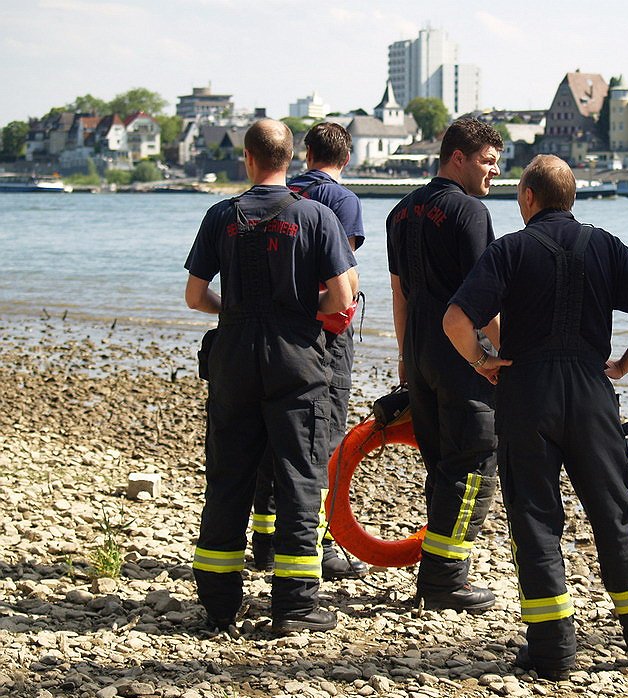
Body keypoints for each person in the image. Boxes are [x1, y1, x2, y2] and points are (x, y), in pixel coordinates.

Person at [443, 154, 628, 679]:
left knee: (534, 521)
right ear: (571, 199)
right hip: (591, 392)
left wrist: (483, 362)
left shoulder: (510, 250)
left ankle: (553, 651)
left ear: (528, 198)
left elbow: (457, 319)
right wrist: (622, 364)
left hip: (527, 392)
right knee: (616, 514)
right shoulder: (606, 245)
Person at [185, 118, 355, 634]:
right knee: (300, 477)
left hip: (233, 356)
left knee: (229, 477)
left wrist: (231, 312)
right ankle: (295, 606)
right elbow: (343, 297)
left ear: (248, 159)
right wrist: (302, 311)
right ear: (290, 159)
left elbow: (194, 296)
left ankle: (217, 604)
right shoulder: (318, 216)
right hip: (296, 358)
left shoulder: (221, 215)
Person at [385, 117, 503, 611]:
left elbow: (399, 293)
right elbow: (486, 297)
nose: (495, 172)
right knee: (475, 462)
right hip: (460, 355)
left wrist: (405, 359)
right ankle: (444, 581)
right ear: (458, 156)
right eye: (488, 161)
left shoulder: (401, 211)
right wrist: (505, 355)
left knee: (441, 462)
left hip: (419, 350)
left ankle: (442, 571)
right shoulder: (470, 213)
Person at [250, 121, 369, 581]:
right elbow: (345, 275)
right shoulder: (343, 201)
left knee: (270, 435)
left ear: (305, 154)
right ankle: (318, 544)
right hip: (325, 332)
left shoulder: (282, 192)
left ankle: (264, 540)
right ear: (347, 157)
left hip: (275, 331)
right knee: (322, 437)